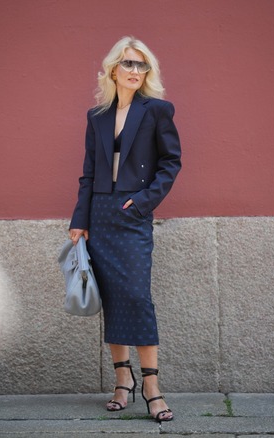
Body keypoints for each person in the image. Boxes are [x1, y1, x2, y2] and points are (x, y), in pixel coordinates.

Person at [69, 36, 181, 422]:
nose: (135, 71)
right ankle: (122, 381)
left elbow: (171, 164)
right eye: (129, 64)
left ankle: (152, 384)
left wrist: (143, 202)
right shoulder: (96, 116)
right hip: (99, 214)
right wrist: (79, 220)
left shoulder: (157, 111)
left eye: (142, 65)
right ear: (113, 68)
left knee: (136, 295)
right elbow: (88, 173)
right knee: (113, 298)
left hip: (132, 215)